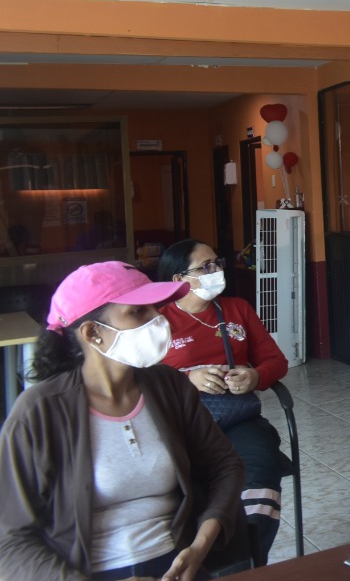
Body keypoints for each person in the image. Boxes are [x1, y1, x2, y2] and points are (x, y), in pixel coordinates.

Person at [0, 261, 244, 580]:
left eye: (155, 308)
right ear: (93, 333)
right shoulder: (39, 412)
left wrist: (200, 545)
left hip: (178, 564)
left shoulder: (169, 386)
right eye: (138, 312)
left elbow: (225, 465)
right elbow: (10, 542)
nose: (159, 320)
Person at [156, 240, 290, 567]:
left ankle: (249, 557)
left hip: (238, 417)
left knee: (261, 466)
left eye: (217, 263)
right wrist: (188, 377)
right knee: (186, 481)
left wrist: (255, 376)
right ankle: (203, 558)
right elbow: (142, 377)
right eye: (206, 267)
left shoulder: (237, 309)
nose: (216, 271)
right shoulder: (158, 321)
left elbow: (276, 361)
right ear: (178, 280)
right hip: (182, 422)